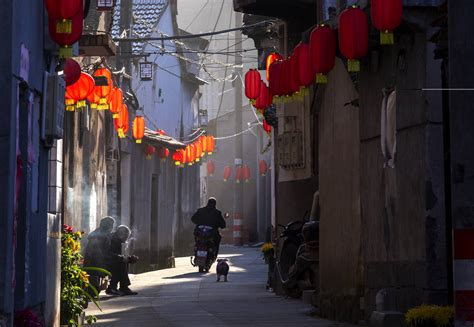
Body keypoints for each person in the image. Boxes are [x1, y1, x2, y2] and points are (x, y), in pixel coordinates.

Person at [84, 216, 116, 290]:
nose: (112, 228)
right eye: (111, 226)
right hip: (96, 264)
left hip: (97, 262)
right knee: (118, 263)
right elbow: (102, 254)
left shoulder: (100, 234)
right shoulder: (101, 236)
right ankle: (112, 288)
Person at [105, 225, 139, 296]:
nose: (126, 239)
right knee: (121, 263)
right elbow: (107, 254)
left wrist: (129, 258)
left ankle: (123, 287)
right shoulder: (112, 240)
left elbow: (117, 256)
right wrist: (122, 258)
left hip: (109, 260)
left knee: (123, 262)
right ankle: (114, 287)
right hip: (104, 262)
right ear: (121, 234)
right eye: (126, 237)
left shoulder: (117, 240)